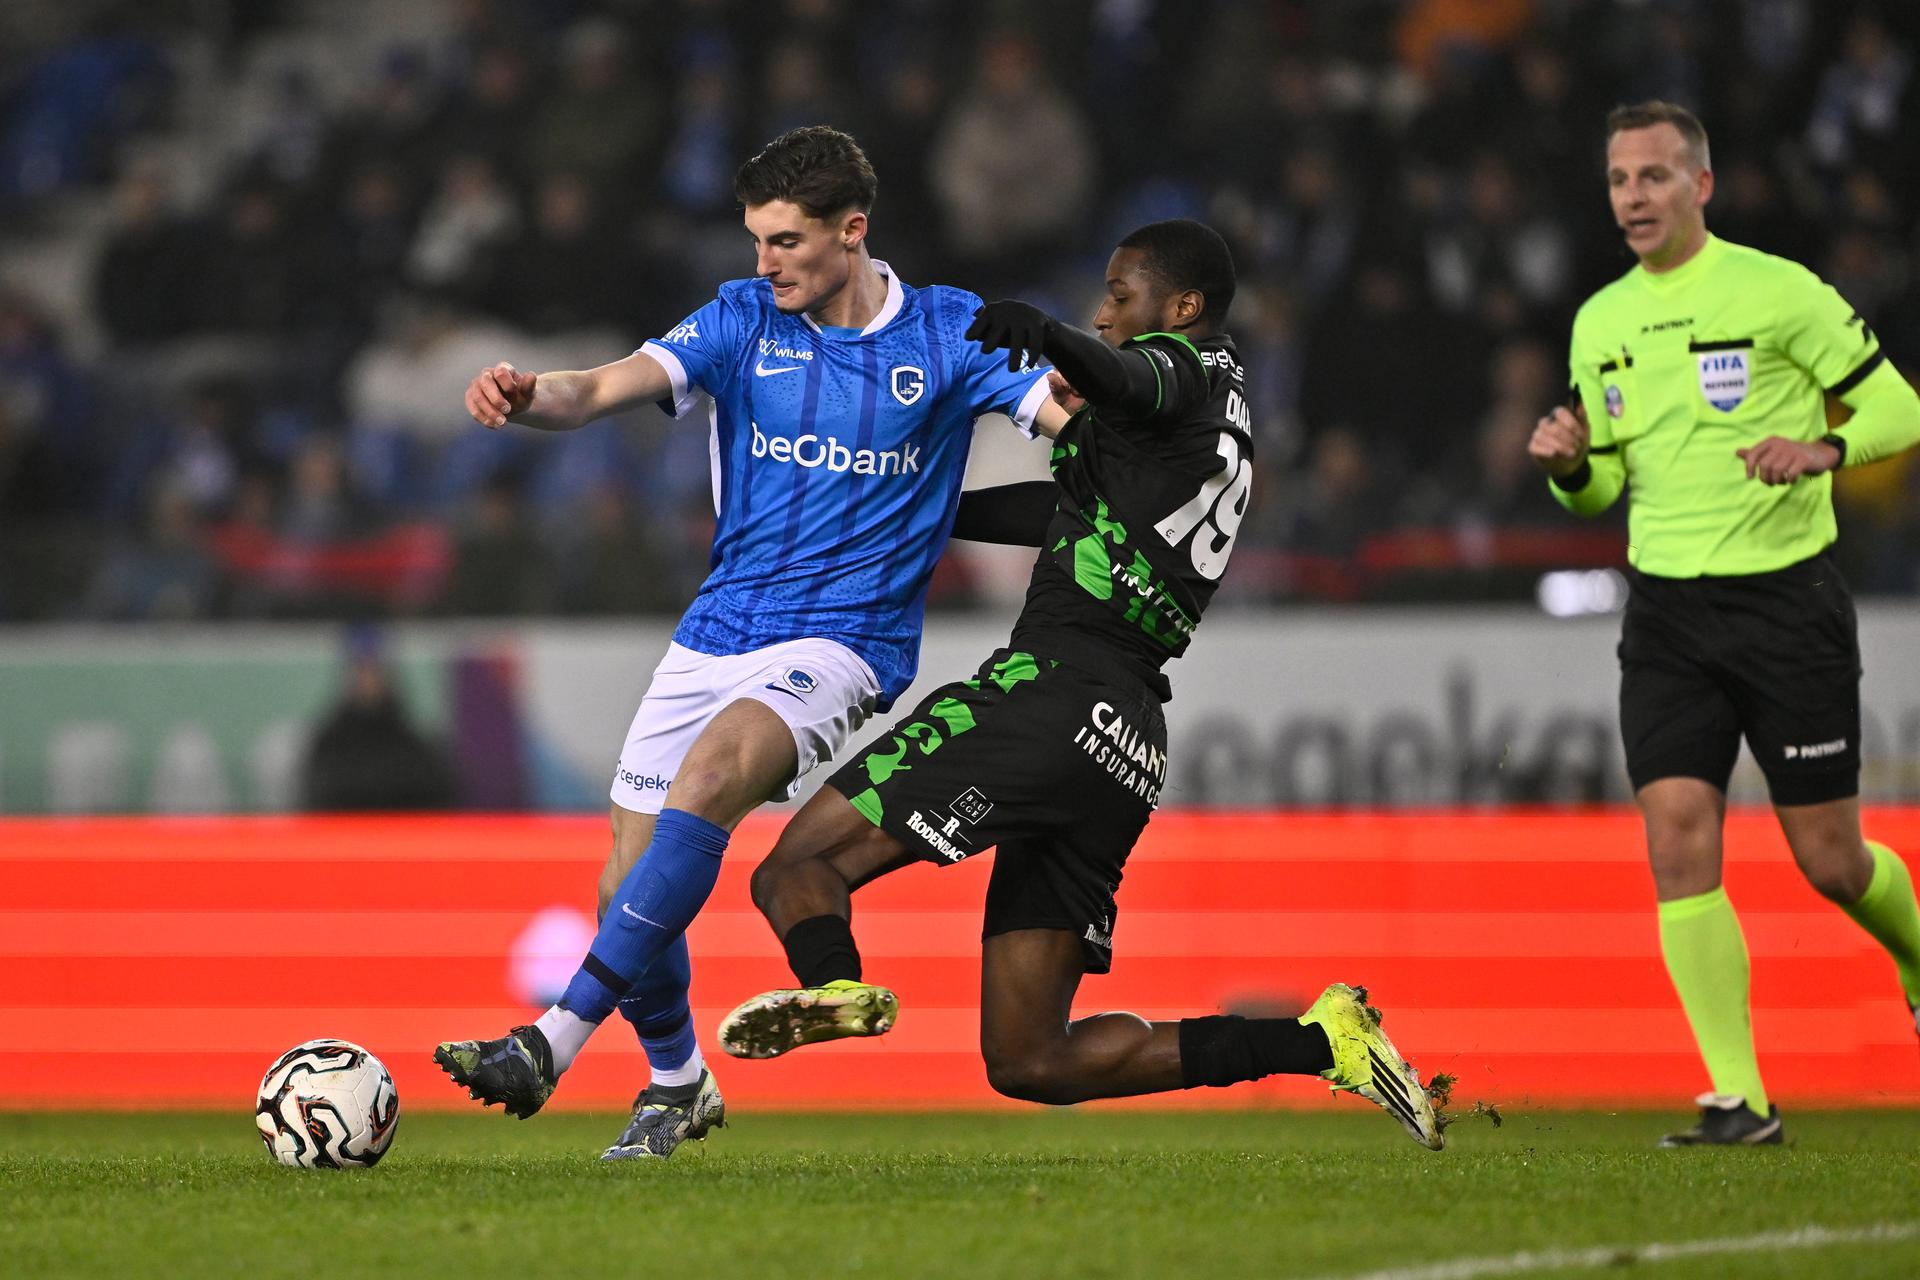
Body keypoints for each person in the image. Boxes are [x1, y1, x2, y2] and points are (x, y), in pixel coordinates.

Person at [718, 220, 1444, 1150]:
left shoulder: (1185, 371)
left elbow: (1134, 374)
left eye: (1120, 297)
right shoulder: (1201, 426)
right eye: (1099, 300)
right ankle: (1320, 1044)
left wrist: (1049, 334)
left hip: (1053, 694)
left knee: (796, 867)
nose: (1105, 317)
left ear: (1182, 309)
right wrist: (925, 517)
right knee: (1032, 1059)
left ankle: (834, 986)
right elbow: (1068, 510)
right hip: (1127, 740)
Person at [433, 126, 1061, 1159]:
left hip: (847, 641)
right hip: (717, 629)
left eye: (785, 242)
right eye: (755, 240)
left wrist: (1124, 418)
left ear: (851, 233)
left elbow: (1060, 416)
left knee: (712, 777)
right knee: (625, 890)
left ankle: (548, 1042)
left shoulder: (950, 333)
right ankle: (678, 1085)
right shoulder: (739, 321)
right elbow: (595, 388)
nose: (763, 263)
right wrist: (524, 390)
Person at [1528, 101, 1920, 1147]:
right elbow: (1599, 486)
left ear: (1703, 185)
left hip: (1785, 600)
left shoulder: (1778, 290)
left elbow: (1900, 408)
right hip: (1666, 609)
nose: (1634, 197)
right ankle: (1741, 1097)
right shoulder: (1601, 319)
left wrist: (1822, 450)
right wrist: (1571, 461)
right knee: (1677, 836)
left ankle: (1915, 952)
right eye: (1620, 179)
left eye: (1655, 176)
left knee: (1832, 860)